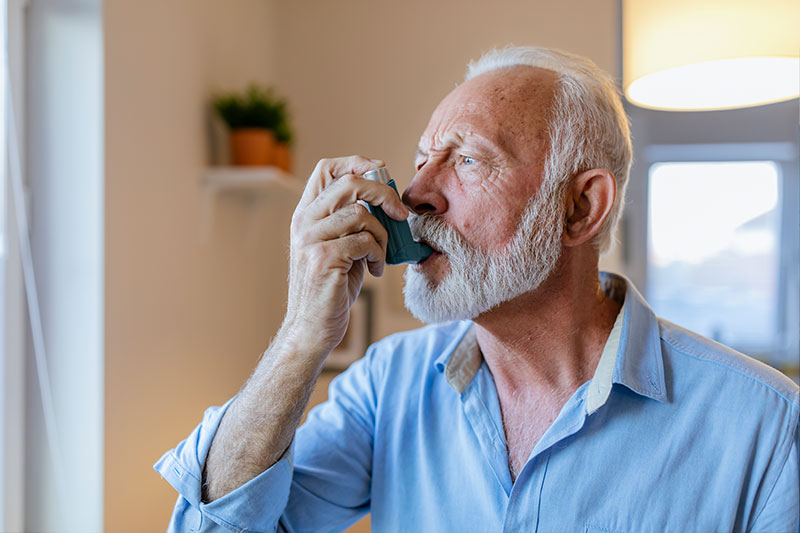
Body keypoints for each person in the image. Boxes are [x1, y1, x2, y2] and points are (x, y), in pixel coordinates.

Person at [155, 46, 799, 532]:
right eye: (421, 159)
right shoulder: (386, 389)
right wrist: (301, 335)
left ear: (580, 208)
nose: (414, 196)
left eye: (467, 160)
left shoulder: (767, 429)